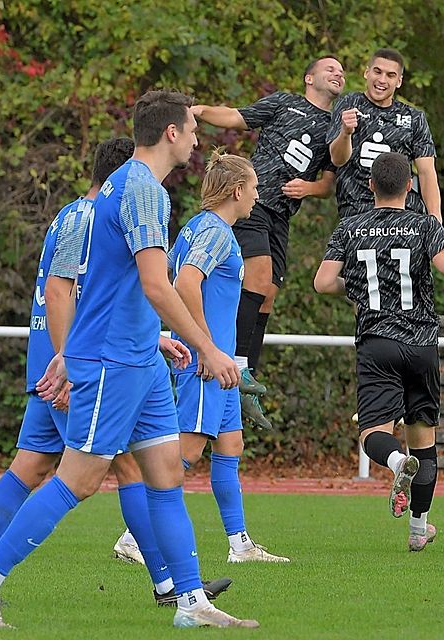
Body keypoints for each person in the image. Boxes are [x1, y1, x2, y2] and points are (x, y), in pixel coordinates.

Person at [0, 90, 258, 629]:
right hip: (113, 361)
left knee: (165, 474)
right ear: (170, 132)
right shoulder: (143, 190)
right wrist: (208, 349)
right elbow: (156, 285)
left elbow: (111, 285)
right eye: (191, 130)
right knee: (79, 479)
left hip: (139, 360)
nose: (195, 139)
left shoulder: (122, 185)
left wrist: (150, 341)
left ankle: (190, 602)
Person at [314, 152, 444, 552]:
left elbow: (323, 282)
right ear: (410, 187)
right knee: (423, 438)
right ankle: (418, 528)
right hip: (421, 343)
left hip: (377, 342)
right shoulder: (425, 224)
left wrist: (356, 288)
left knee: (373, 434)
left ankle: (396, 463)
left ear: (370, 186)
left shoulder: (350, 226)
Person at [192, 56, 346, 428]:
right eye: (330, 68)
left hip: (281, 216)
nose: (338, 73)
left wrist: (309, 187)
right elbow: (235, 116)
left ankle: (247, 378)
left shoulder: (336, 127)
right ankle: (235, 364)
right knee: (258, 278)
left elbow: (328, 184)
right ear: (309, 77)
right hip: (254, 203)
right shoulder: (284, 103)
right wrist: (198, 111)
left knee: (268, 294)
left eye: (342, 71)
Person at [169, 149, 289, 562]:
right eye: (254, 187)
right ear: (237, 190)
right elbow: (185, 283)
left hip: (217, 364)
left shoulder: (196, 227)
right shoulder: (216, 232)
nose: (257, 196)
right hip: (204, 363)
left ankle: (240, 544)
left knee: (231, 444)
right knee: (188, 451)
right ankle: (133, 536)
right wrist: (205, 346)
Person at [327, 48, 442, 224]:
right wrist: (345, 133)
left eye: (390, 75)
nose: (382, 80)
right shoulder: (348, 103)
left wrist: (435, 218)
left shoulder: (414, 117)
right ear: (367, 73)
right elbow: (337, 159)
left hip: (403, 215)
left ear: (399, 81)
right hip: (357, 212)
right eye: (377, 72)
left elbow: (427, 172)